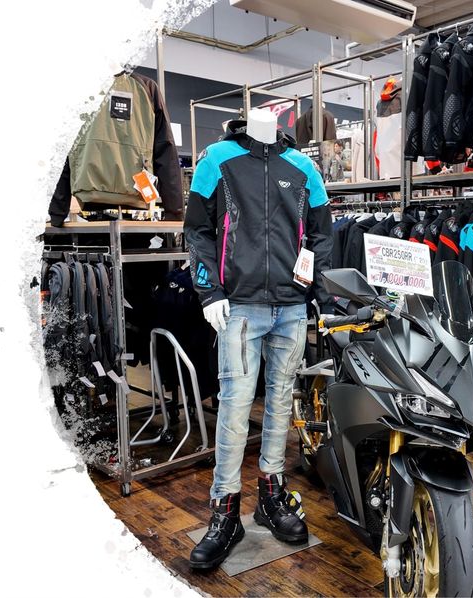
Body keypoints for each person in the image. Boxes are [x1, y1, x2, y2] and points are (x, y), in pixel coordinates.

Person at [183, 111, 333, 570]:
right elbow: (197, 230)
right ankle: (225, 512)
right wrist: (209, 290)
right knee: (234, 408)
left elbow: (321, 235)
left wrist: (319, 293)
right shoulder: (216, 160)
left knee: (281, 403)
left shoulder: (304, 168)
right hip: (240, 305)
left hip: (291, 307)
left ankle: (272, 495)